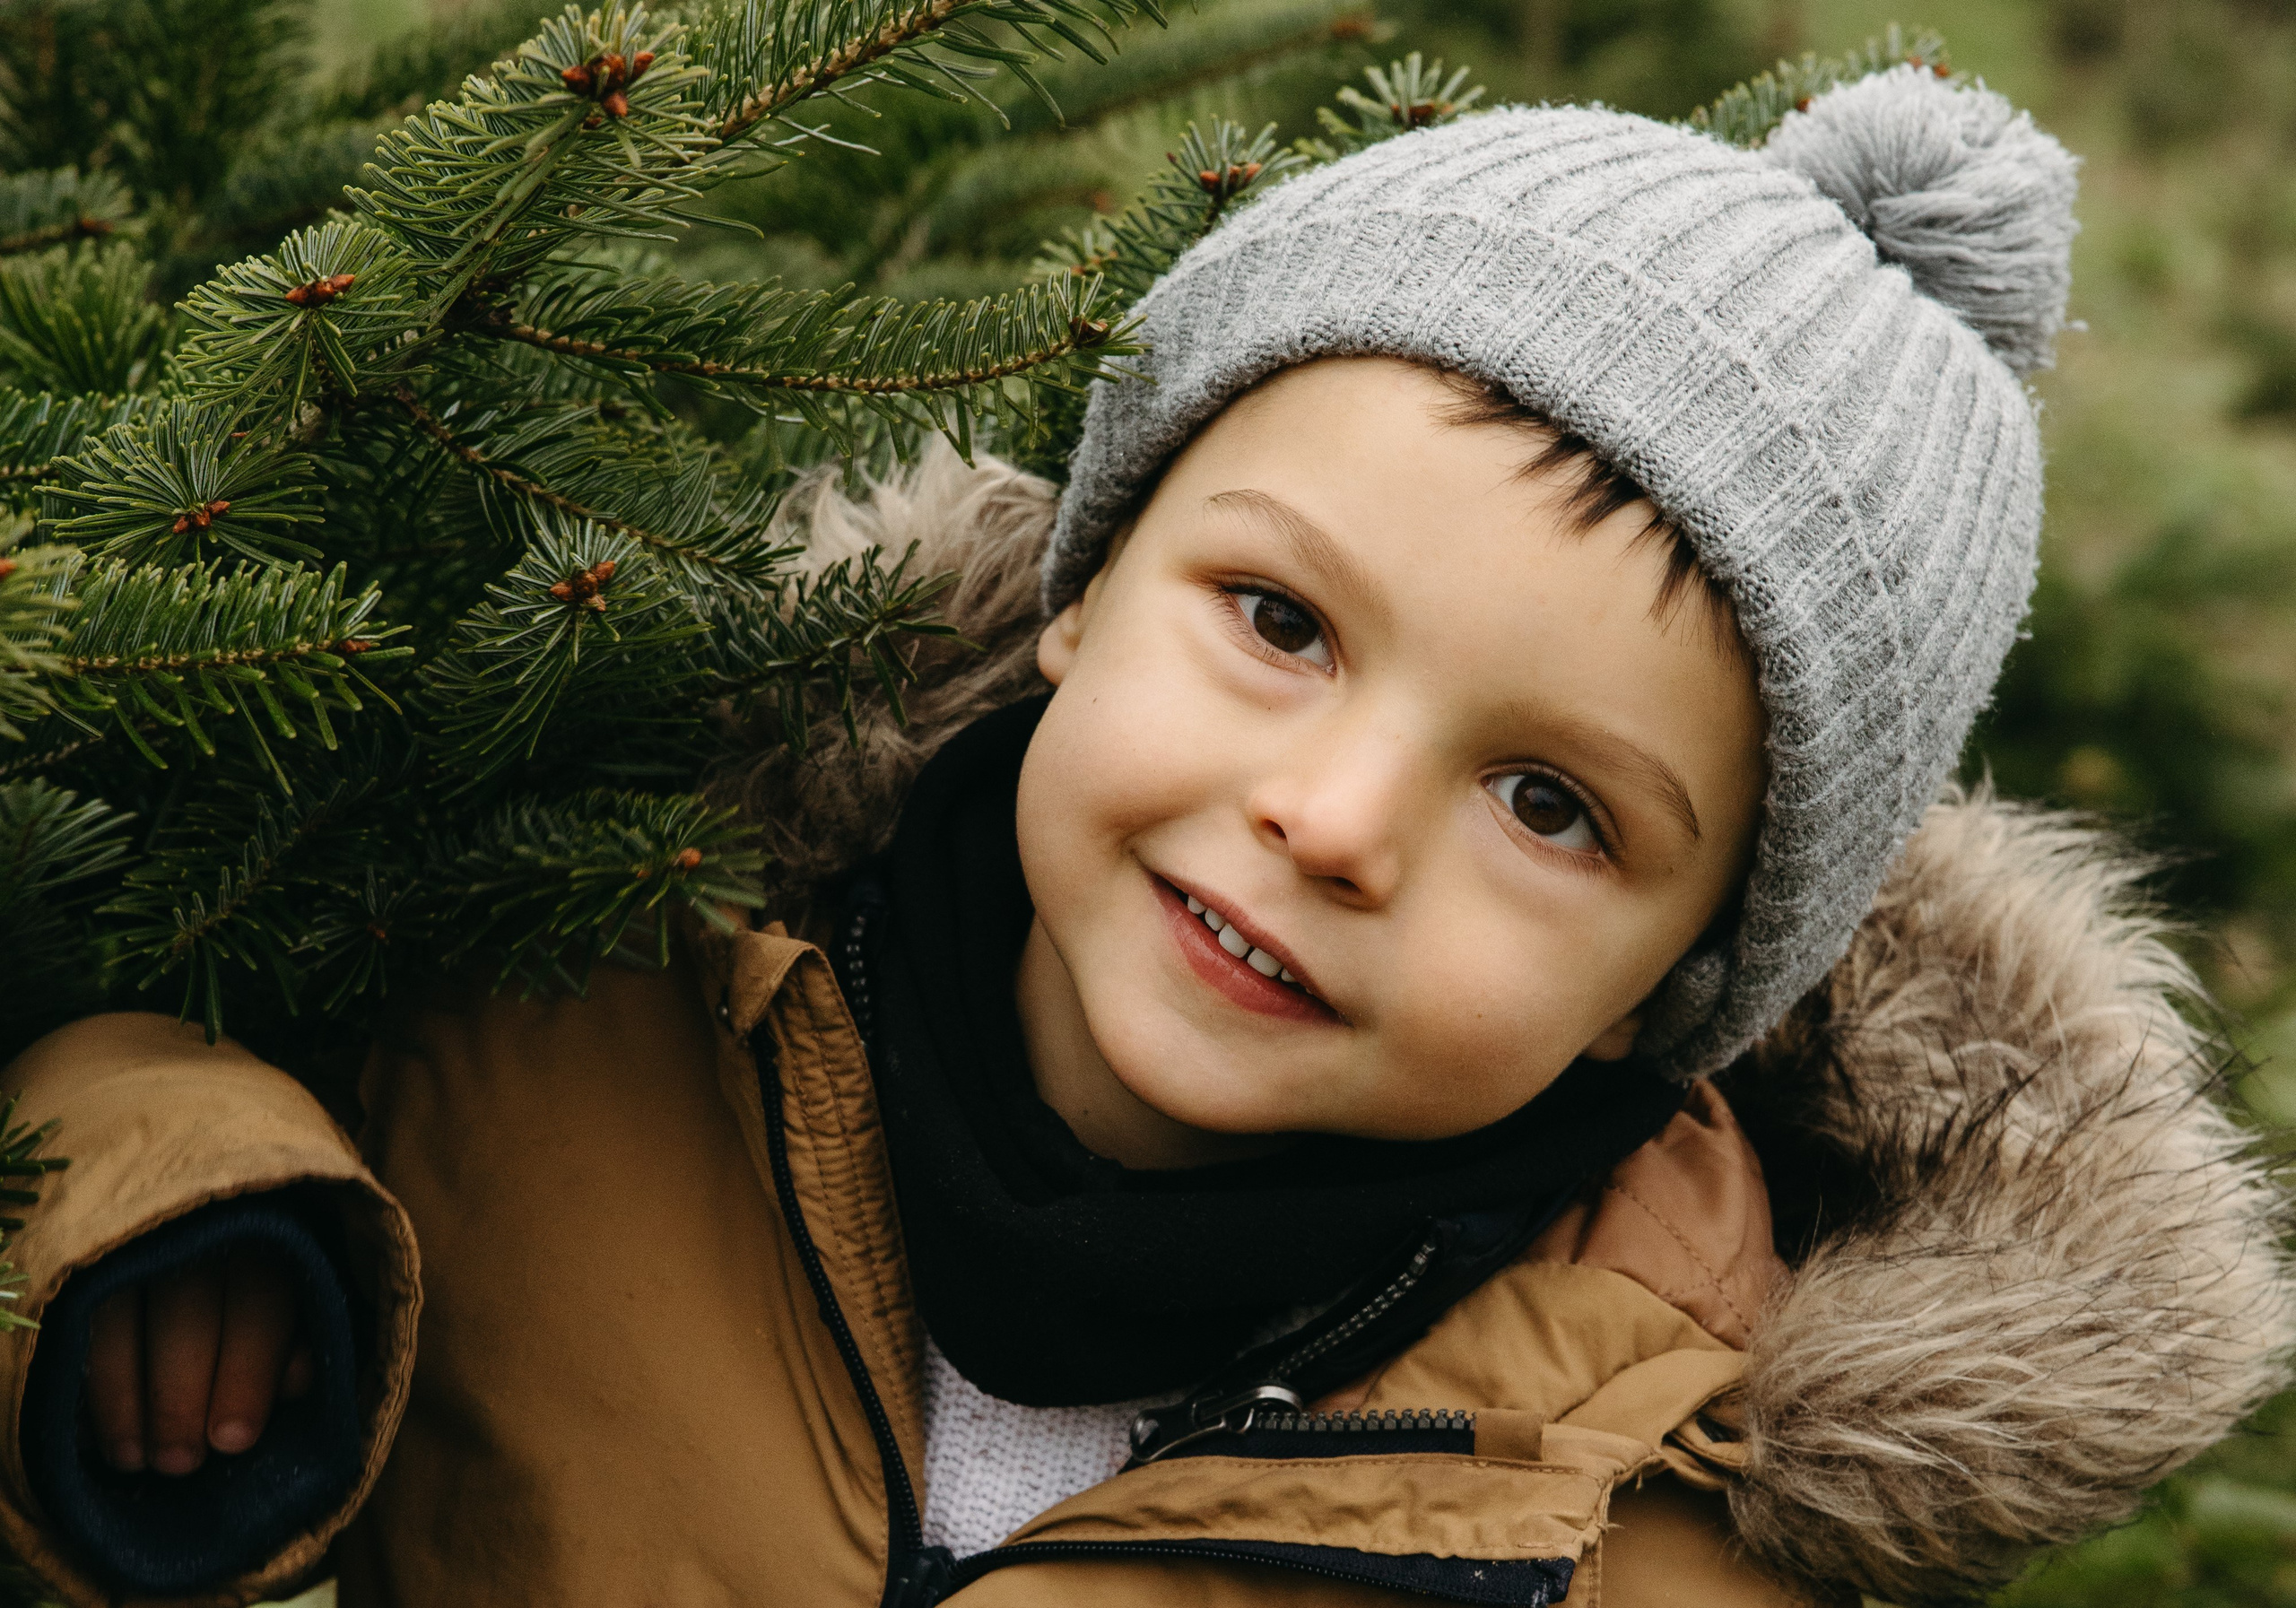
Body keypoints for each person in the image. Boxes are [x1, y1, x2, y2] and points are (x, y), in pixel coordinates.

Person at [1, 64, 2288, 1608]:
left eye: (1550, 806)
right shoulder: (562, 950)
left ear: (1684, 995)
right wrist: (174, 1206)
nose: (1328, 817)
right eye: (1279, 619)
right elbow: (131, 996)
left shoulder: (1659, 1536)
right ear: (1086, 586)